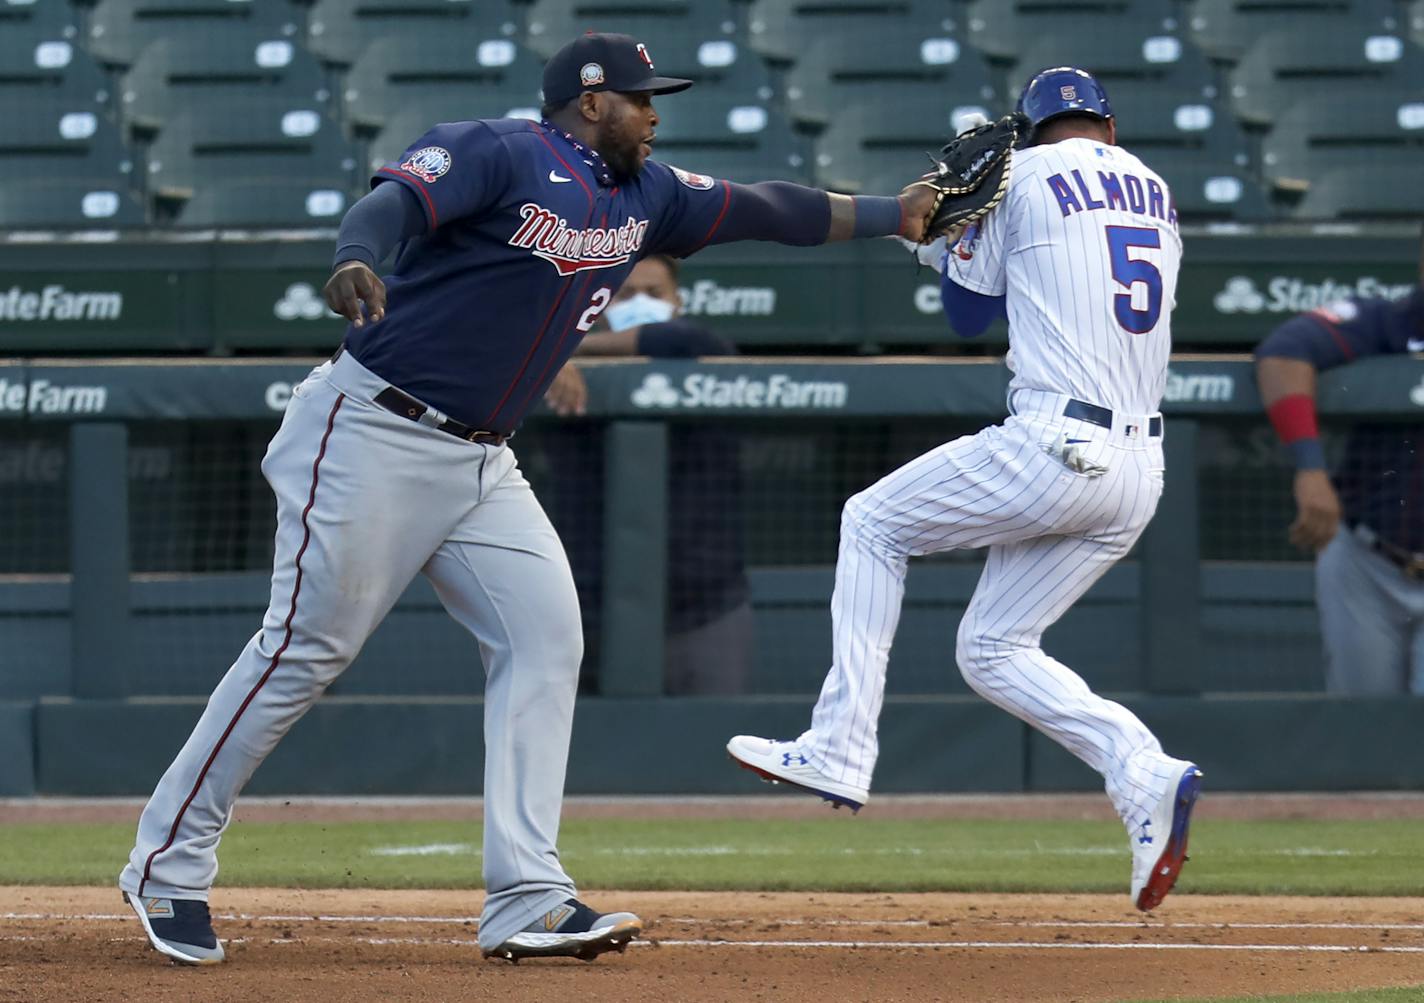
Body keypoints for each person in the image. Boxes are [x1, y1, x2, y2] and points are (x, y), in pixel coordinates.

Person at [117, 31, 937, 965]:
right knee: (305, 649)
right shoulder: (501, 149)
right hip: (373, 429)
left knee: (548, 640)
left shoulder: (647, 193)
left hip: (482, 462)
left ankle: (527, 897)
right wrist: (355, 254)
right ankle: (167, 864)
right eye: (641, 97)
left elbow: (766, 208)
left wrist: (892, 214)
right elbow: (392, 203)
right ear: (591, 102)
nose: (655, 112)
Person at [727, 67, 1203, 913]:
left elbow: (965, 316)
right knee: (993, 648)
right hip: (1138, 472)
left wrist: (934, 234)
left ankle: (838, 745)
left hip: (1057, 444)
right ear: (1110, 126)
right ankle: (1144, 769)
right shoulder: (1155, 187)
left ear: (1025, 129)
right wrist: (949, 232)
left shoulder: (1020, 172)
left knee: (870, 521)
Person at [545, 254, 754, 695]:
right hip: (586, 607)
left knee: (710, 748)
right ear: (599, 305)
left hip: (705, 604)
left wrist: (560, 346)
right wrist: (549, 362)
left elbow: (677, 339)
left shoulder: (707, 350)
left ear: (678, 301)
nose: (641, 303)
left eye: (654, 294)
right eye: (625, 294)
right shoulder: (556, 374)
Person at [1254, 232, 1424, 694]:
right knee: (1360, 730)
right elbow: (1281, 354)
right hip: (1369, 560)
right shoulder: (1388, 322)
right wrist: (1310, 468)